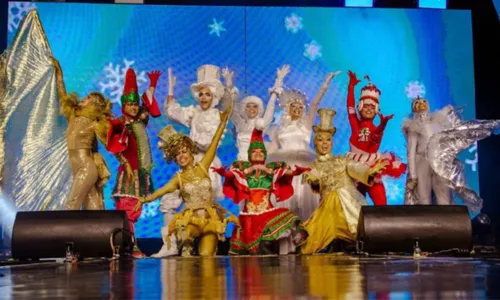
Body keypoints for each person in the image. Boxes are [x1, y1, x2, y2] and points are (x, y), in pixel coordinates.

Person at [136, 101, 239, 257]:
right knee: (185, 234)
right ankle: (183, 249)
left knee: (207, 258)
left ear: (191, 152)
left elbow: (214, 143)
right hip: (191, 222)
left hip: (210, 221)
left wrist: (223, 121)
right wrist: (143, 200)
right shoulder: (178, 178)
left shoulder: (203, 165)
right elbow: (160, 192)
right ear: (175, 159)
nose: (181, 156)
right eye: (177, 154)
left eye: (184, 152)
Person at [212, 122, 309, 255]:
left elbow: (288, 173)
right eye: (254, 151)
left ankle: (269, 253)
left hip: (268, 213)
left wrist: (298, 172)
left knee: (286, 220)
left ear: (265, 155)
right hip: (249, 217)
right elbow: (231, 174)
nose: (258, 153)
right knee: (254, 251)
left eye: (261, 152)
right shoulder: (242, 167)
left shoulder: (271, 168)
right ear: (249, 154)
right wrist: (223, 173)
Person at [301, 108, 387, 254]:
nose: (325, 143)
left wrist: (369, 171)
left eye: (328, 140)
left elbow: (355, 168)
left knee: (362, 232)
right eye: (320, 140)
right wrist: (313, 179)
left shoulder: (342, 159)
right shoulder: (314, 166)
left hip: (351, 205)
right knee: (309, 243)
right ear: (315, 143)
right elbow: (313, 180)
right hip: (328, 211)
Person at [106, 68, 162, 258]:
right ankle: (131, 246)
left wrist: (152, 84)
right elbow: (115, 148)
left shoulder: (140, 121)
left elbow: (149, 105)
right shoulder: (121, 123)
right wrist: (125, 163)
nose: (133, 107)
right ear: (123, 105)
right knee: (127, 210)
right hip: (129, 174)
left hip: (141, 173)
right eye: (129, 104)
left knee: (134, 210)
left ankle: (126, 245)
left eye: (134, 104)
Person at [52, 57, 112, 210]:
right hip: (76, 168)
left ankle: (65, 234)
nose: (84, 98)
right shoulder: (73, 116)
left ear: (94, 104)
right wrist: (59, 74)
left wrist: (125, 162)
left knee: (72, 205)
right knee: (94, 209)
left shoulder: (94, 122)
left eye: (88, 98)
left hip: (86, 168)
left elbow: (110, 142)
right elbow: (62, 95)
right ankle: (100, 234)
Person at [345, 71, 406, 205]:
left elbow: (374, 141)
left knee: (381, 203)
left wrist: (382, 125)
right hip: (355, 168)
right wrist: (351, 87)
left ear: (376, 110)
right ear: (360, 107)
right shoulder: (355, 124)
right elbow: (349, 107)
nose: (368, 109)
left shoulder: (375, 129)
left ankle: (384, 224)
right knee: (354, 207)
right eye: (366, 106)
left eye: (372, 107)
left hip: (372, 168)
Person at [232, 65, 290, 161]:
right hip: (241, 163)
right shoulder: (240, 124)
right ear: (244, 109)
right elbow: (231, 110)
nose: (251, 109)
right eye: (248, 106)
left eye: (255, 106)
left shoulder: (262, 124)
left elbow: (271, 106)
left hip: (257, 163)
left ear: (259, 110)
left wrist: (279, 80)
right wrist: (230, 86)